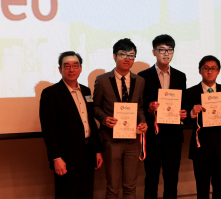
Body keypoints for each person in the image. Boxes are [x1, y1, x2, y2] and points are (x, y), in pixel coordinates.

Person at [39, 51, 103, 199]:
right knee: (67, 195)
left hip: (87, 154)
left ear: (80, 68)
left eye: (75, 66)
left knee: (86, 194)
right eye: (66, 66)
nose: (71, 69)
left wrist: (97, 150)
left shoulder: (86, 91)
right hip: (66, 158)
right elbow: (49, 129)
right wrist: (56, 158)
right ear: (60, 69)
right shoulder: (50, 94)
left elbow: (91, 122)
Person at [93, 38, 148, 199]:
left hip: (133, 141)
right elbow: (95, 107)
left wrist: (143, 121)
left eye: (131, 55)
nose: (127, 58)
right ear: (114, 56)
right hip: (111, 141)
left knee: (130, 187)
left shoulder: (140, 81)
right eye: (123, 54)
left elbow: (140, 107)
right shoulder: (102, 80)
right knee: (113, 188)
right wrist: (104, 119)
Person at [138, 34, 187, 199]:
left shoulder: (180, 76)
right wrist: (150, 110)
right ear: (154, 52)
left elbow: (184, 105)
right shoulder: (143, 76)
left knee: (172, 180)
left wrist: (184, 113)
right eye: (162, 50)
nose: (166, 54)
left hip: (173, 137)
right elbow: (140, 107)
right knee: (151, 180)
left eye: (170, 50)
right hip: (153, 136)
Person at [184, 55, 221, 199]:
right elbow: (186, 120)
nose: (209, 71)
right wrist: (193, 113)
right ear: (200, 71)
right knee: (202, 190)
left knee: (220, 189)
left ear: (218, 71)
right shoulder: (191, 92)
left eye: (213, 68)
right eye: (206, 68)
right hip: (200, 149)